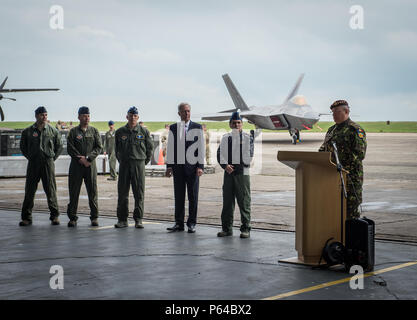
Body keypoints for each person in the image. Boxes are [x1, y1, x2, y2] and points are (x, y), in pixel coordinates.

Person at [318, 100, 367, 219]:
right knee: (334, 211)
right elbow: (324, 149)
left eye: (337, 112)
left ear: (346, 111)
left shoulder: (354, 130)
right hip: (332, 178)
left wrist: (340, 166)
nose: (334, 115)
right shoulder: (331, 130)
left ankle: (352, 237)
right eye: (332, 112)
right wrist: (318, 159)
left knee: (350, 212)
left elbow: (359, 154)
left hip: (350, 178)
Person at [19, 106, 63, 226]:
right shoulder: (28, 131)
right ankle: (26, 217)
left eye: (46, 115)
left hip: (48, 163)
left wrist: (52, 158)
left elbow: (59, 146)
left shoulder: (53, 131)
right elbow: (23, 147)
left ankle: (54, 216)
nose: (44, 117)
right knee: (29, 190)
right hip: (33, 163)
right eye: (42, 115)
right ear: (36, 116)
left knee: (51, 190)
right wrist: (31, 157)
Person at [165, 102, 204, 233]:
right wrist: (169, 166)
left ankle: (192, 223)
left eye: (188, 111)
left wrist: (200, 166)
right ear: (179, 113)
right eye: (184, 111)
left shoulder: (197, 127)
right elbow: (170, 148)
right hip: (178, 169)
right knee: (179, 196)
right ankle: (179, 223)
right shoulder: (173, 128)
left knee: (193, 197)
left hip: (193, 169)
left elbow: (200, 148)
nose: (186, 113)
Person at [114, 106, 153, 228]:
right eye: (130, 115)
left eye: (135, 116)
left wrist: (143, 162)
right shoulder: (120, 132)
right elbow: (117, 150)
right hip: (125, 164)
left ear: (138, 117)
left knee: (139, 193)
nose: (132, 118)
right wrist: (122, 160)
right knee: (122, 193)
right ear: (127, 116)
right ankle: (122, 220)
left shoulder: (144, 132)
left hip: (138, 164)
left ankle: (138, 219)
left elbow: (149, 149)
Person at [216, 112, 254, 238]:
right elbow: (220, 154)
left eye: (238, 122)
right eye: (234, 123)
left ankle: (246, 229)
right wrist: (225, 165)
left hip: (242, 174)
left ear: (242, 124)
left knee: (244, 202)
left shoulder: (248, 138)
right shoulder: (226, 138)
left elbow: (249, 155)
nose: (236, 125)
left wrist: (235, 166)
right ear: (230, 124)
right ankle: (227, 228)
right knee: (227, 202)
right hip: (228, 174)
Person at [66, 106, 103, 227]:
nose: (86, 118)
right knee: (74, 192)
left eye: (88, 116)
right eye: (84, 116)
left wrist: (88, 158)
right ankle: (72, 218)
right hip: (76, 166)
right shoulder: (73, 132)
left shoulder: (94, 131)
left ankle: (94, 217)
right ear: (79, 117)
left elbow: (99, 147)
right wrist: (81, 159)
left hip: (90, 166)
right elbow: (70, 147)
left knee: (93, 192)